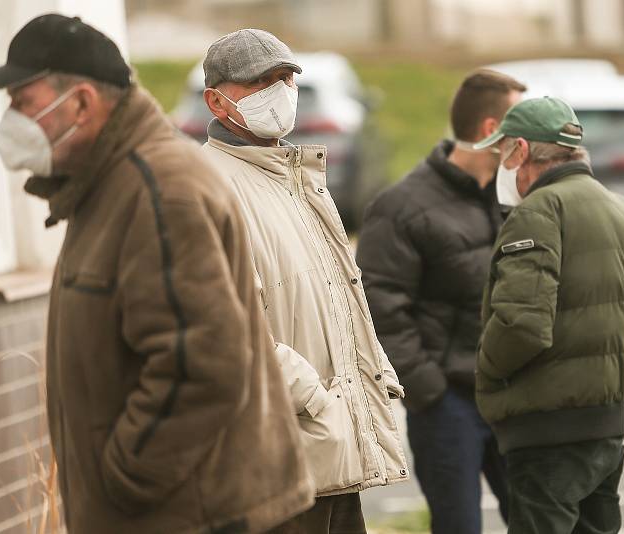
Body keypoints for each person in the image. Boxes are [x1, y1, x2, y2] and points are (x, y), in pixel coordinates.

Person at [0, 14, 314, 534]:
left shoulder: (158, 193)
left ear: (81, 103)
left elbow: (203, 367)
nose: (11, 121)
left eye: (22, 102)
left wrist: (123, 481)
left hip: (192, 516)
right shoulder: (110, 186)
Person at [200, 29, 408, 534]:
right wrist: (317, 402)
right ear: (216, 100)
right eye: (260, 82)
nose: (280, 92)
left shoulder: (296, 177)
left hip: (331, 451)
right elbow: (228, 328)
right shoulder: (209, 186)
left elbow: (339, 299)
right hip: (279, 457)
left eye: (285, 79)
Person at [472, 96, 624, 534]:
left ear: (521, 150)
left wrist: (486, 375)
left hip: (545, 430)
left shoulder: (537, 212)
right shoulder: (623, 210)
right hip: (607, 424)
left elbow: (521, 324)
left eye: (503, 152)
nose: (501, 164)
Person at [356, 69, 525, 534]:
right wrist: (428, 392)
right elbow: (379, 305)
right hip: (448, 404)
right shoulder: (402, 206)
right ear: (493, 130)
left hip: (514, 398)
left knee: (539, 523)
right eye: (522, 120)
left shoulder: (518, 199)